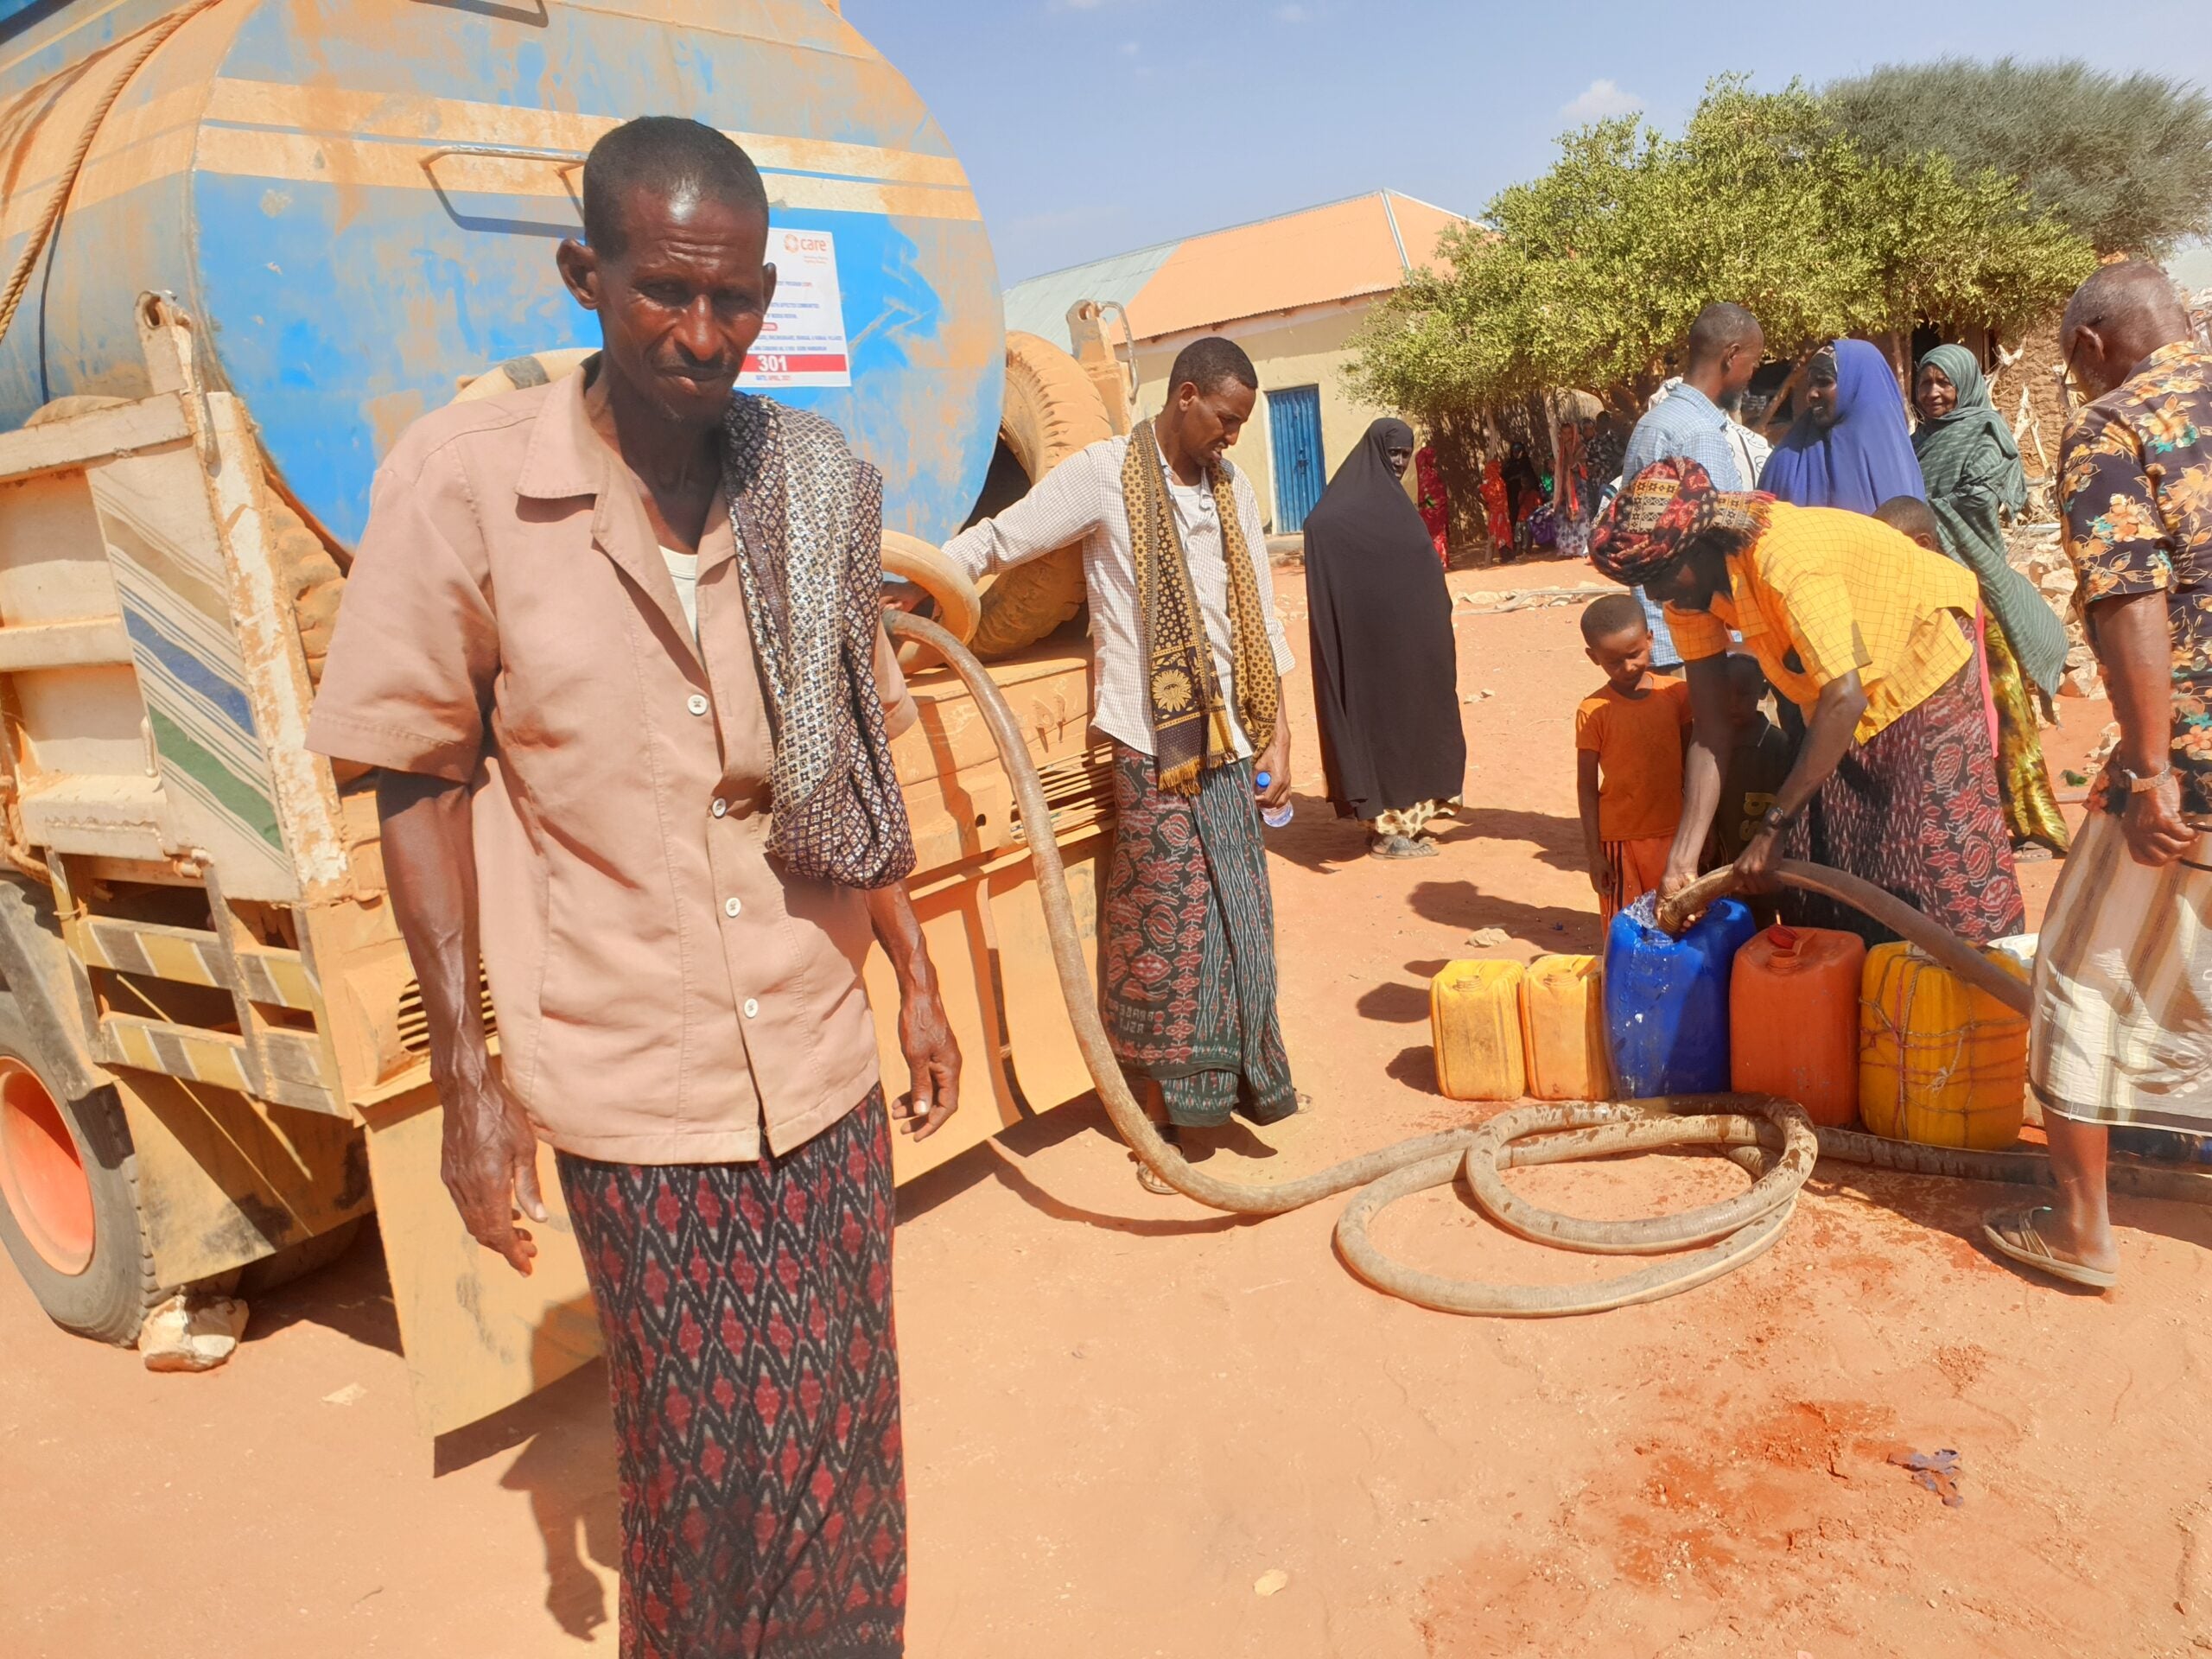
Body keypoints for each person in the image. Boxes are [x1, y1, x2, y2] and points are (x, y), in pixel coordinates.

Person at [306, 119, 957, 1655]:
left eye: (734, 300)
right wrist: (468, 1080)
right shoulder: (467, 488)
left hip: (817, 1051)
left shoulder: (811, 485)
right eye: (666, 291)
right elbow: (418, 778)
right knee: (703, 1458)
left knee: (845, 1425)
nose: (702, 334)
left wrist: (918, 980)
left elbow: (857, 768)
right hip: (627, 1076)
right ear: (584, 274)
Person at [940, 336, 1300, 1166]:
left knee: (1239, 926)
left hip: (1231, 741)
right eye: (1225, 418)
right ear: (1185, 396)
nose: (1232, 437)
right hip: (1153, 746)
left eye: (1242, 424)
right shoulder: (1105, 476)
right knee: (1166, 935)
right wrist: (912, 580)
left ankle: (1231, 1092)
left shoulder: (1232, 489)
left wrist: (1281, 729)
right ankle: (1158, 1122)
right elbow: (999, 541)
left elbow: (1262, 612)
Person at [1984, 262, 2212, 1292]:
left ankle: (2080, 1229)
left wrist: (2150, 764)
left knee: (2078, 971)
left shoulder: (2115, 426)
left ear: (2084, 346)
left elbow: (2130, 599)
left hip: (2193, 759)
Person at [1592, 459, 2025, 949]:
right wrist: (1682, 861)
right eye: (1645, 582)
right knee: (1833, 839)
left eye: (1660, 575)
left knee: (1926, 840)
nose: (1654, 593)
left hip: (1921, 650)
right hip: (1839, 682)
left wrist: (1771, 829)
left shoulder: (1784, 559)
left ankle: (1974, 967)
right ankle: (1863, 967)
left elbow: (1846, 699)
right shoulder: (1686, 596)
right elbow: (1711, 730)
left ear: (1701, 543)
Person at [1910, 344, 2072, 855]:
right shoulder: (1916, 443)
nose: (1933, 393)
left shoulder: (1985, 433)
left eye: (1944, 382)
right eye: (1925, 382)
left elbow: (1978, 502)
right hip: (1928, 592)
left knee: (2004, 706)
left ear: (1965, 383)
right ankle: (1963, 823)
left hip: (1978, 589)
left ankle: (2033, 824)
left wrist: (1912, 515)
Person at [1303, 418, 1466, 859]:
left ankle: (1403, 824)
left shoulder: (1395, 505)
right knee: (1382, 729)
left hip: (1411, 647)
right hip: (1369, 651)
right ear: (1374, 450)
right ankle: (1387, 831)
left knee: (1414, 723)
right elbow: (1321, 532)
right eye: (1392, 452)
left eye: (1405, 454)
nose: (1398, 461)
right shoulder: (1339, 513)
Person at [1874, 493, 2069, 857]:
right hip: (1961, 705)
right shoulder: (1909, 586)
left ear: (1923, 544)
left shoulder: (1953, 587)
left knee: (2011, 753)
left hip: (1988, 688)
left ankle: (2032, 833)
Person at [1618, 302, 1767, 673]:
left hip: (1668, 630)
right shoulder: (1697, 433)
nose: (1752, 375)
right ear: (1731, 356)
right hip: (1699, 637)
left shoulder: (1657, 422)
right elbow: (1721, 543)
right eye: (1753, 362)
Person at [1575, 594, 1692, 922]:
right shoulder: (1593, 711)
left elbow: (1693, 767)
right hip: (1620, 840)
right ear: (1593, 657)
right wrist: (1594, 853)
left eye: (1635, 654)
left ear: (1650, 639)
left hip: (1676, 832)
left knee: (1680, 919)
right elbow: (1586, 787)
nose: (1628, 667)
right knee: (1628, 925)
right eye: (1613, 662)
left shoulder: (1676, 694)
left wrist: (1704, 830)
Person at [1759, 339, 1925, 513]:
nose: (1811, 394)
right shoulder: (1787, 461)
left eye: (1824, 382)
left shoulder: (1898, 465)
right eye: (1810, 385)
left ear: (1855, 386)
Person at [1414, 440, 1452, 568]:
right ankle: (1439, 562)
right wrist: (1435, 506)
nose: (1435, 460)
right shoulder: (1428, 475)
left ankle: (1438, 562)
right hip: (1434, 512)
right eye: (1433, 457)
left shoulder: (1426, 473)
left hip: (1431, 511)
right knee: (1437, 536)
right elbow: (1428, 495)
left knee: (1435, 536)